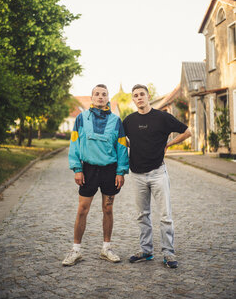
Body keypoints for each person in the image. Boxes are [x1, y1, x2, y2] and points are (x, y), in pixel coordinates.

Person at [123, 84, 191, 268]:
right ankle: (146, 251)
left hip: (158, 172)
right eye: (135, 95)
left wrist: (168, 144)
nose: (139, 98)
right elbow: (123, 140)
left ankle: (168, 253)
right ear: (133, 99)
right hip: (136, 174)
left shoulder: (162, 117)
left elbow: (187, 132)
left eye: (142, 94)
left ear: (148, 96)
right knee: (142, 215)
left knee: (165, 215)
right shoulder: (128, 121)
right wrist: (133, 146)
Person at [62, 84, 129, 266]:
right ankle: (75, 250)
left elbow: (121, 147)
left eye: (104, 94)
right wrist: (77, 168)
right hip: (88, 170)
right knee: (82, 209)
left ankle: (106, 248)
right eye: (97, 94)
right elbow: (74, 143)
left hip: (109, 170)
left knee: (108, 209)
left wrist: (120, 171)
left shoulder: (116, 121)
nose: (100, 97)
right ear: (92, 98)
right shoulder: (81, 119)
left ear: (108, 98)